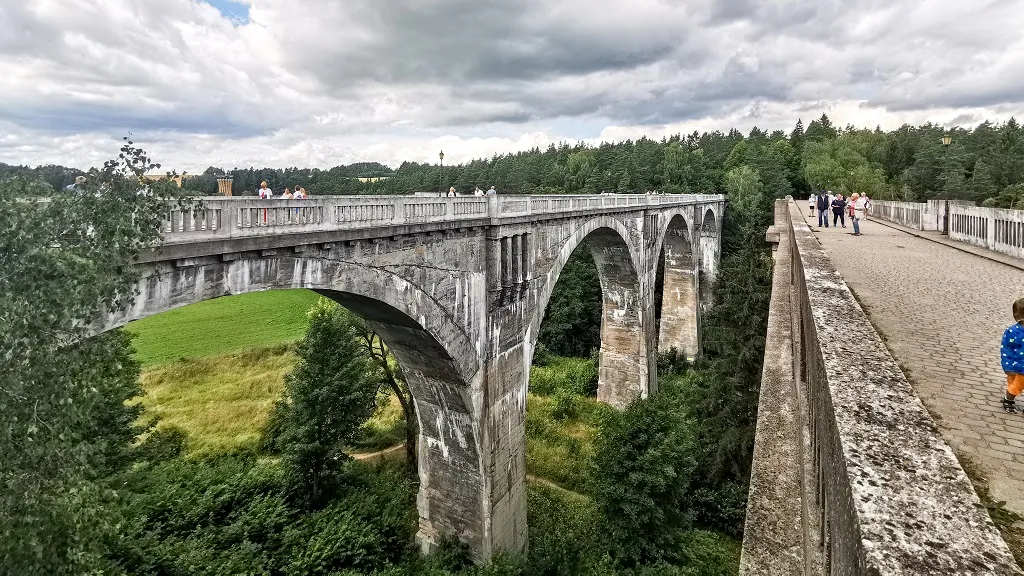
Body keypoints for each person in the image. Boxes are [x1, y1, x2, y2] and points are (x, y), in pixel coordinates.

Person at [1000, 297, 1024, 413]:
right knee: (1015, 386)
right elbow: (1006, 349)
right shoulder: (1012, 332)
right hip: (1017, 366)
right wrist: (1008, 366)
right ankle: (1008, 400)